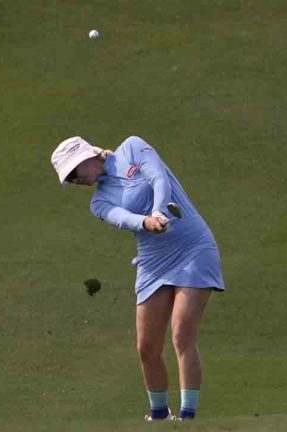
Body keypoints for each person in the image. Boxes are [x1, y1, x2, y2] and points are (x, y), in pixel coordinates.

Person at [50, 135, 226, 421]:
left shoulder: (132, 147)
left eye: (73, 172)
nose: (74, 180)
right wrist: (147, 222)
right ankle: (159, 417)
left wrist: (158, 210)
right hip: (153, 263)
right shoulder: (99, 202)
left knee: (181, 333)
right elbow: (122, 218)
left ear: (85, 156)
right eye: (68, 178)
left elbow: (158, 178)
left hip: (193, 248)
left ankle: (187, 419)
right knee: (146, 347)